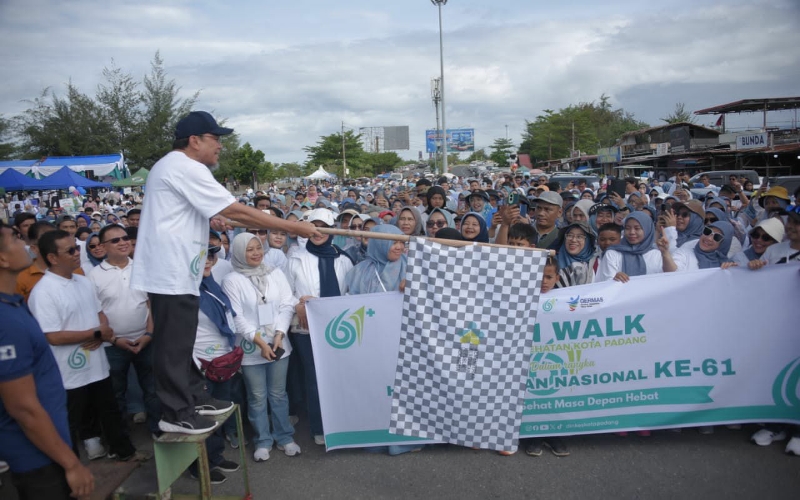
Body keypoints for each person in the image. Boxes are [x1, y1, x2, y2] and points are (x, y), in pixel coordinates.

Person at [130, 111, 320, 434]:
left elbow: (195, 212)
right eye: (215, 139)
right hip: (170, 272)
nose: (220, 147)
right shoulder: (184, 166)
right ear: (194, 141)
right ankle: (175, 412)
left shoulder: (177, 168)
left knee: (182, 340)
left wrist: (210, 219)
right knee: (173, 345)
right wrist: (292, 225)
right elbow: (235, 209)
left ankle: (191, 398)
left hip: (181, 273)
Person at [28, 230, 144, 462]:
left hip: (97, 364)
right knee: (71, 420)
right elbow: (52, 336)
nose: (77, 253)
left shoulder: (83, 281)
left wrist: (101, 331)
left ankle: (124, 451)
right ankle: (69, 469)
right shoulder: (43, 292)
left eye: (77, 247)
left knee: (109, 410)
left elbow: (100, 313)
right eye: (70, 250)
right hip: (69, 371)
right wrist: (93, 333)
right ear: (52, 258)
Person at [0, 223, 95, 500]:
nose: (28, 245)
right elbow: (23, 408)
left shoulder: (14, 303)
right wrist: (71, 463)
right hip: (35, 458)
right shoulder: (5, 321)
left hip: (49, 445)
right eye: (17, 241)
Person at [223, 233, 300, 462]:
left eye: (258, 248)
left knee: (278, 393)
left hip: (278, 344)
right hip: (250, 348)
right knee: (257, 396)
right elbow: (237, 317)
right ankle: (263, 440)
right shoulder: (232, 280)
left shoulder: (275, 273)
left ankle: (284, 437)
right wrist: (259, 342)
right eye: (249, 249)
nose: (256, 253)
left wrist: (279, 334)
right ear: (238, 253)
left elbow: (287, 304)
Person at [287, 209, 354, 445]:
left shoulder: (344, 259)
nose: (318, 231)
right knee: (315, 377)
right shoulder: (296, 258)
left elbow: (349, 294)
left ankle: (344, 422)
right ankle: (320, 426)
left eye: (323, 226)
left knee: (340, 376)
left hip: (340, 330)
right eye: (314, 226)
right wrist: (297, 305)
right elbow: (285, 292)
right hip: (307, 330)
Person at [88, 224, 161, 439]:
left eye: (125, 238)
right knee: (115, 393)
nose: (123, 242)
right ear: (102, 247)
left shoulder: (143, 268)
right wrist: (115, 339)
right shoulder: (93, 276)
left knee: (153, 389)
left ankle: (158, 431)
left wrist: (148, 334)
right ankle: (120, 439)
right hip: (112, 346)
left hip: (146, 340)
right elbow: (95, 313)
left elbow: (151, 304)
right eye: (115, 240)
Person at [189, 245, 240, 484]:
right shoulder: (183, 295)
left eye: (210, 256)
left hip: (222, 361)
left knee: (219, 414)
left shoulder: (212, 287)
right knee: (201, 416)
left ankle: (215, 455)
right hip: (199, 364)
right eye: (201, 258)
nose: (208, 262)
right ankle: (199, 465)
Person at [524, 256, 569, 458]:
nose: (544, 281)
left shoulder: (565, 299)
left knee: (552, 394)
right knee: (530, 394)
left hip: (554, 357)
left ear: (557, 277)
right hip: (528, 356)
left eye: (549, 277)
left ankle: (553, 435)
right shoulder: (522, 297)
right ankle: (532, 436)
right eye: (540, 276)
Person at [596, 212, 663, 283]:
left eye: (637, 228)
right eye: (627, 228)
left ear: (647, 229)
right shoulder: (612, 253)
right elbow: (605, 282)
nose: (632, 232)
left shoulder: (657, 254)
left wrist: (665, 254)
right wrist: (614, 279)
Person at [15, 221, 56, 302]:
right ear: (34, 248)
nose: (55, 243)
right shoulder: (20, 278)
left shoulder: (74, 271)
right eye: (48, 240)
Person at [555, 220, 597, 287]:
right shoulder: (552, 262)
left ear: (587, 241)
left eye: (579, 237)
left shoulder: (596, 264)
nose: (573, 240)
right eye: (570, 235)